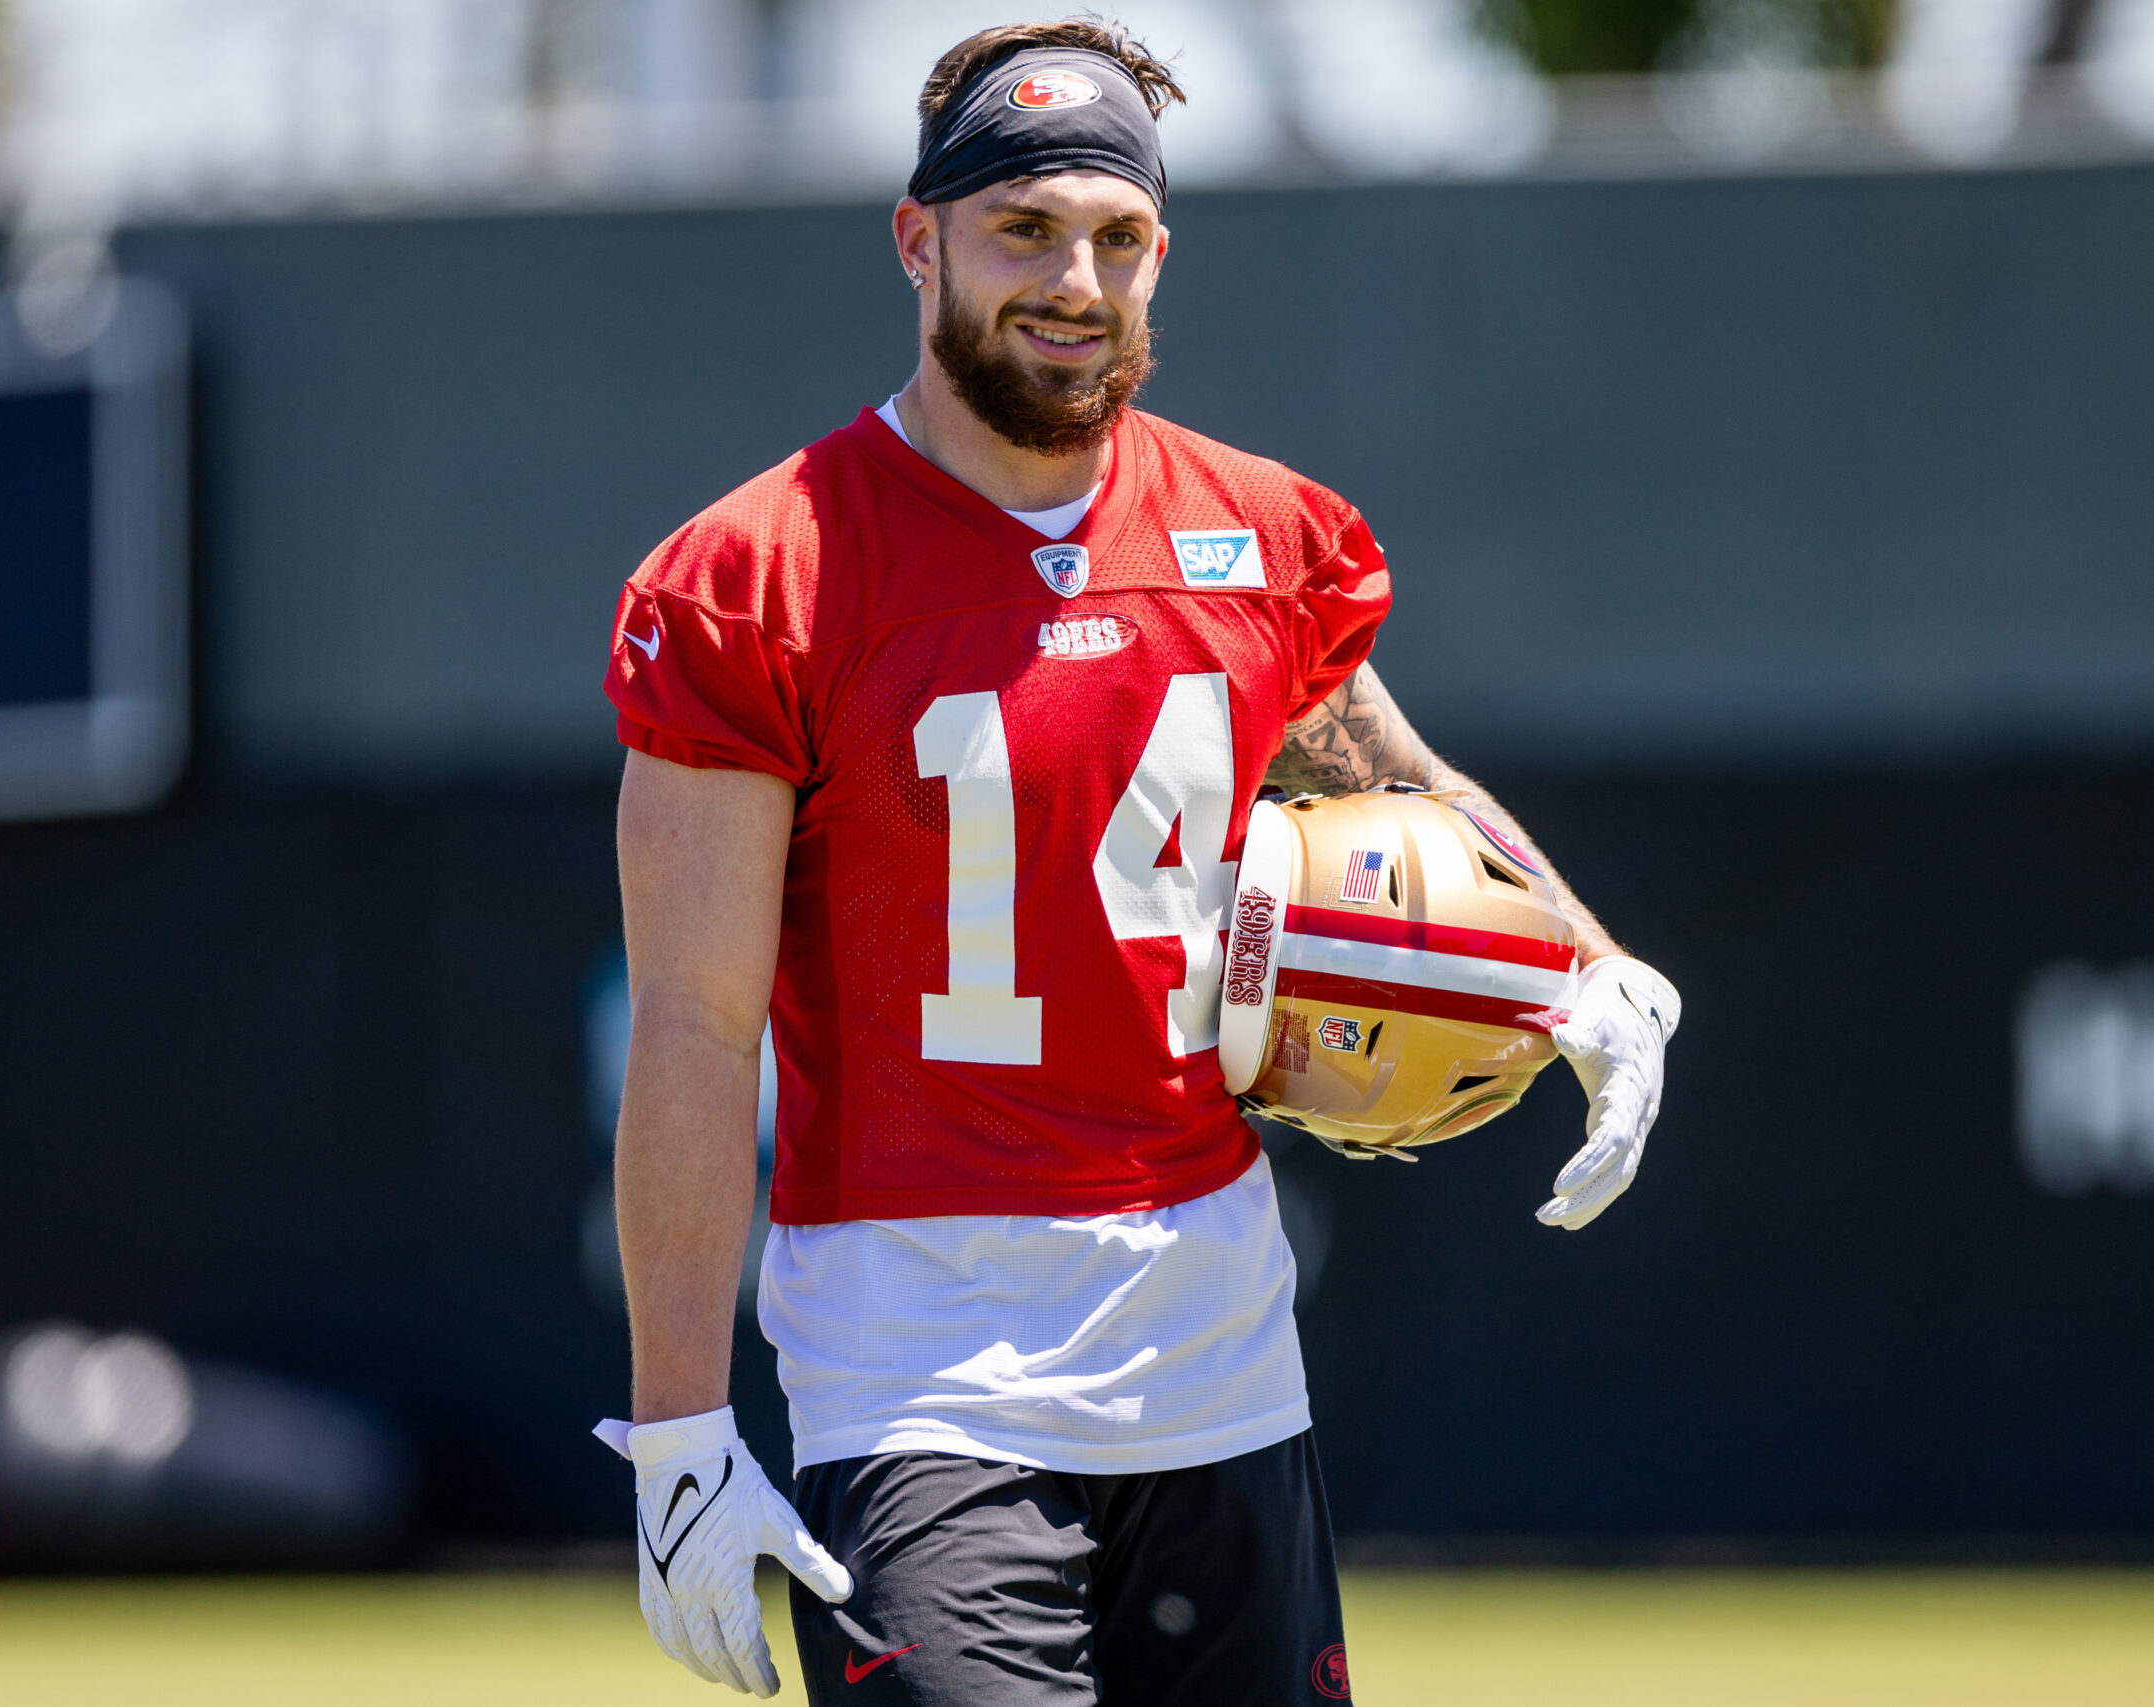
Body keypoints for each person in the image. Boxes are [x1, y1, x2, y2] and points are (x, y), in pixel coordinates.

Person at [594, 18, 1680, 1705]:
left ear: (1160, 254)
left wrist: (1588, 966)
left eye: (1116, 237)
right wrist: (678, 1428)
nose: (1075, 279)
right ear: (919, 238)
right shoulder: (762, 577)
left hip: (1221, 1362)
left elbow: (1399, 776)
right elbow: (689, 1022)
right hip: (915, 1376)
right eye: (1024, 227)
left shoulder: (1249, 536)